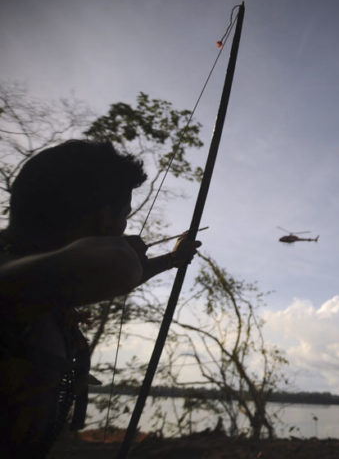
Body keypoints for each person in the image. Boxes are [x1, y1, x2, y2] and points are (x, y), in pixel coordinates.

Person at [0, 140, 201, 457]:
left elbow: (63, 276)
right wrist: (115, 249)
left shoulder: (37, 281)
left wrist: (169, 261)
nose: (124, 227)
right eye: (124, 216)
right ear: (105, 217)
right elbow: (112, 265)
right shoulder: (14, 281)